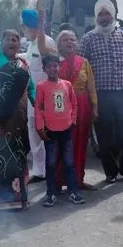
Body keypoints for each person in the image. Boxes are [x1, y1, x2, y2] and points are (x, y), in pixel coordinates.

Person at [0, 0, 36, 212]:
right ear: (0, 44)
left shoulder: (23, 65)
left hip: (19, 121)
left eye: (16, 39)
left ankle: (19, 198)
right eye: (9, 40)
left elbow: (31, 89)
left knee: (20, 157)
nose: (13, 43)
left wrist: (39, 107)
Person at [78, 0, 123, 184]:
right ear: (96, 17)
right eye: (100, 15)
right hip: (100, 95)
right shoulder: (88, 39)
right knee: (105, 136)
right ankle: (110, 173)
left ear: (113, 16)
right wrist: (88, 97)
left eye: (107, 14)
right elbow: (82, 68)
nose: (104, 18)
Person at [35, 55, 85, 206]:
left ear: (59, 67)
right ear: (44, 69)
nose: (53, 69)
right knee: (50, 163)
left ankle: (73, 191)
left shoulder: (67, 85)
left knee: (69, 163)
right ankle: (50, 193)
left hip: (66, 129)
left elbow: (74, 104)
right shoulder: (41, 87)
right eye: (49, 66)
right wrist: (39, 128)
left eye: (55, 66)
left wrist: (73, 121)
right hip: (50, 130)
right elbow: (38, 108)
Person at [56, 29, 98, 191]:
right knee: (63, 144)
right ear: (59, 44)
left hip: (82, 108)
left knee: (80, 144)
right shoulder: (55, 63)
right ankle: (59, 181)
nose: (70, 42)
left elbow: (91, 88)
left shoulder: (84, 62)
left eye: (73, 39)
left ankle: (78, 180)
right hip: (61, 109)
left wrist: (95, 107)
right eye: (65, 40)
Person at [24, 3, 58, 184]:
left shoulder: (47, 41)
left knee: (48, 134)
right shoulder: (30, 45)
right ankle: (39, 170)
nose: (24, 30)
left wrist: (41, 26)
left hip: (47, 97)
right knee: (34, 132)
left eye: (26, 26)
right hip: (32, 98)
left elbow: (46, 53)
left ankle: (51, 169)